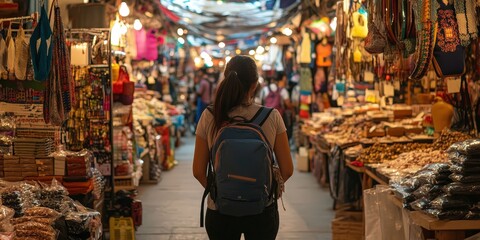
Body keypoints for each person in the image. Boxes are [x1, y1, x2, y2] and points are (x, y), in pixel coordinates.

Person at [193, 55, 294, 240]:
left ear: (226, 79)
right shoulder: (272, 117)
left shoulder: (209, 116)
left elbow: (198, 171)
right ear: (255, 84)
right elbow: (287, 169)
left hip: (221, 211)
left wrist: (221, 192)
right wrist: (263, 191)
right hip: (262, 211)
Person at [260, 73, 294, 139]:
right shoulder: (283, 91)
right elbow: (288, 104)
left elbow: (260, 103)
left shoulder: (264, 90)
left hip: (266, 118)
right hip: (280, 118)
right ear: (278, 81)